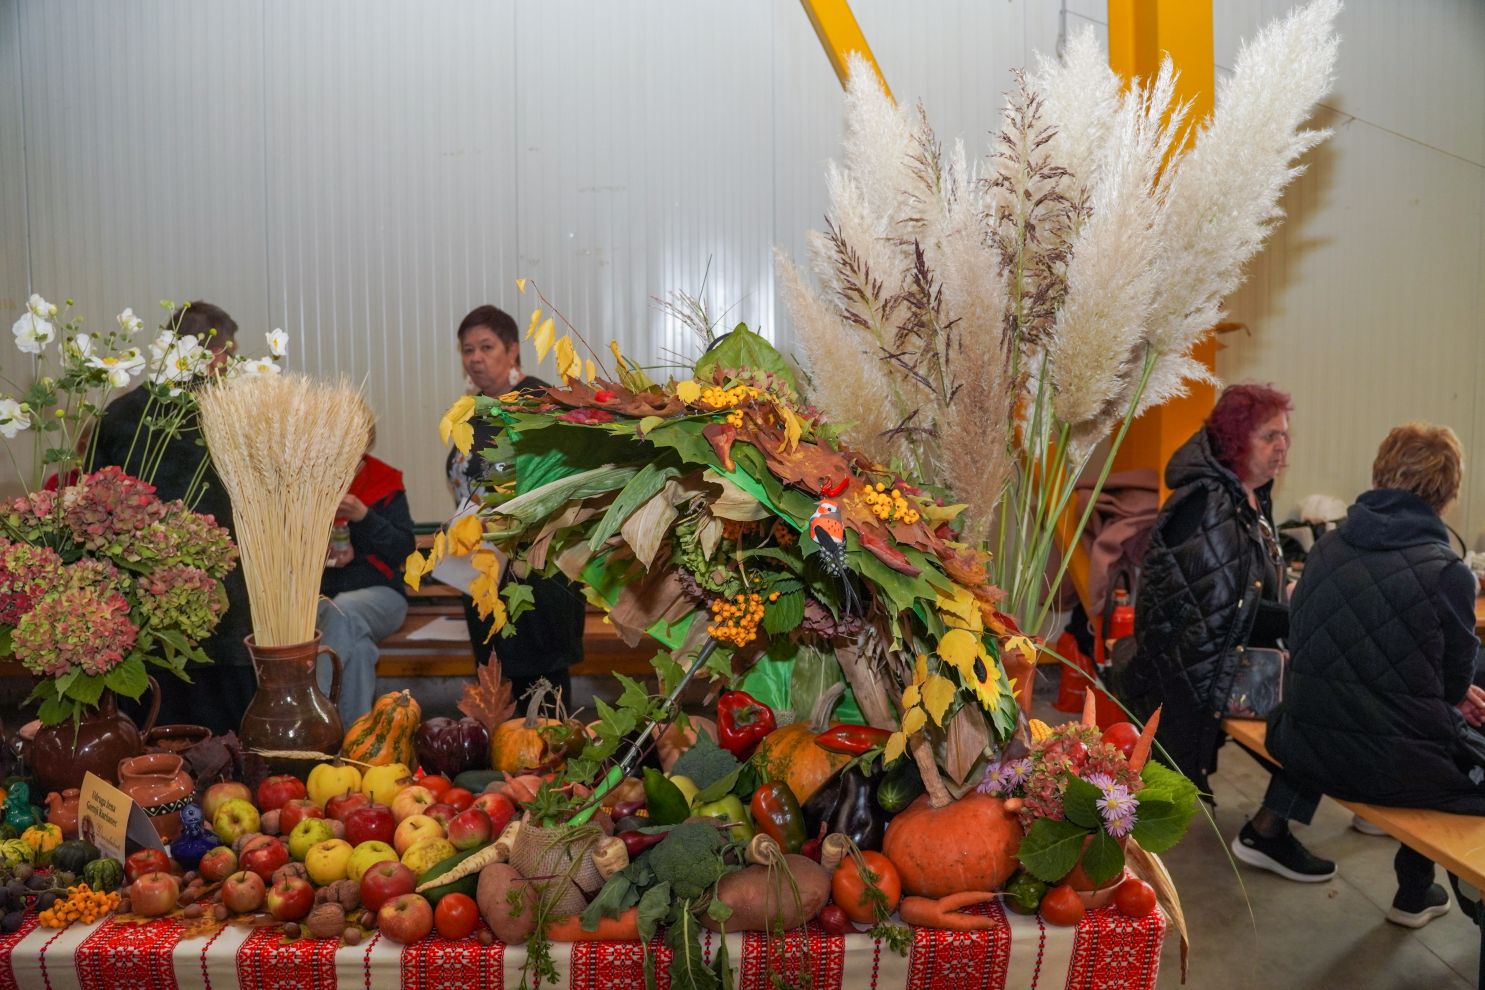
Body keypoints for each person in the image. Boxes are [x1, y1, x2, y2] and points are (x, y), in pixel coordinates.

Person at [1270, 423, 1485, 927]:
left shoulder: (1325, 549)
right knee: (1450, 750)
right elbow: (1452, 687)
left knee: (1420, 726)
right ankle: (1430, 894)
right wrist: (1454, 697)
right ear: (1449, 492)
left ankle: (1417, 891)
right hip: (1383, 766)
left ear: (1379, 472)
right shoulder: (1447, 571)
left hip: (1306, 746)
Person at [1131, 383, 1336, 882]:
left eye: (1285, 436)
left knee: (1332, 699)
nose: (1282, 447)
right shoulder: (1208, 503)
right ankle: (1268, 831)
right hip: (1200, 679)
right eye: (1270, 436)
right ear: (1235, 440)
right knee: (1327, 718)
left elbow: (1244, 593)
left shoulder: (1246, 496)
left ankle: (1269, 825)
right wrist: (1300, 618)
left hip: (1228, 665)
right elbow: (1210, 615)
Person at [90, 301, 256, 735]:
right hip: (227, 601)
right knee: (227, 734)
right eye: (229, 354)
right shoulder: (234, 416)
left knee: (149, 726)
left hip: (142, 601)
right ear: (215, 353)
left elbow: (90, 506)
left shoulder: (117, 414)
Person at [446, 304, 585, 705]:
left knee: (541, 702)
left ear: (512, 350)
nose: (475, 358)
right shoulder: (471, 409)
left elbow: (559, 484)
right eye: (467, 349)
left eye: (486, 347)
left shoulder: (539, 403)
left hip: (536, 576)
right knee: (497, 694)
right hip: (481, 572)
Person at [316, 426, 415, 725]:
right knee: (358, 650)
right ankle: (352, 746)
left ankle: (316, 716)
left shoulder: (384, 480)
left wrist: (364, 517)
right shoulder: (309, 485)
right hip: (326, 599)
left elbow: (403, 549)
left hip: (382, 598)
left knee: (343, 611)